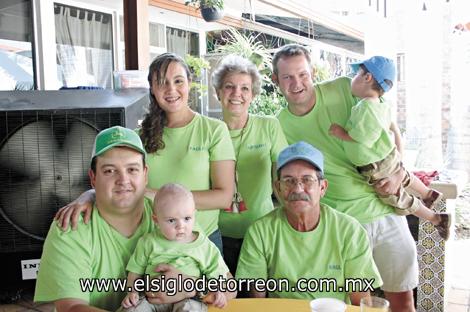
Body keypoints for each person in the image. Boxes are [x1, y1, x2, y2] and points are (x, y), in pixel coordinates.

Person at [273, 44, 418, 311]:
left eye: (302, 74)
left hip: (384, 209)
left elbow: (391, 127)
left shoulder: (343, 88)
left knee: (402, 299)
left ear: (312, 72)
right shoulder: (279, 124)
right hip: (340, 221)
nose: (297, 83)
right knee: (354, 304)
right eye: (287, 77)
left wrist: (399, 172)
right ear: (276, 81)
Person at [55, 53, 235, 253]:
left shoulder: (214, 130)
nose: (171, 89)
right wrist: (89, 195)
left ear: (189, 83)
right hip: (152, 241)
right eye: (162, 83)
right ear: (152, 88)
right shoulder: (137, 137)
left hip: (202, 240)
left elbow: (224, 197)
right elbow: (114, 179)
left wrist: (152, 194)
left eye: (178, 81)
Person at [34, 126, 197, 311]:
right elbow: (71, 307)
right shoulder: (71, 227)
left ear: (145, 174)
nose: (123, 180)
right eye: (110, 171)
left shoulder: (171, 216)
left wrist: (189, 288)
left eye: (132, 169)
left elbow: (225, 286)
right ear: (93, 177)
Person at [235, 141, 382, 305]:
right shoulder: (260, 232)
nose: (297, 189)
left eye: (307, 180)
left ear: (323, 187)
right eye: (288, 180)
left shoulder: (349, 230)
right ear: (278, 187)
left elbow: (360, 300)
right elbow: (258, 301)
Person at [328, 55, 450, 240]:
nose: (352, 79)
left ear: (367, 78)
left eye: (356, 74)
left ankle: (435, 218)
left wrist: (341, 133)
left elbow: (364, 138)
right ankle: (428, 193)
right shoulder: (381, 105)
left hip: (377, 164)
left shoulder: (366, 107)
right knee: (403, 175)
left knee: (396, 196)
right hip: (384, 156)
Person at [211, 54, 288, 275]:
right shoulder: (208, 131)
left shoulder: (269, 127)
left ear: (253, 94)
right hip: (216, 234)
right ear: (218, 92)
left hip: (260, 231)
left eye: (245, 88)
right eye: (229, 87)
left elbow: (283, 178)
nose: (237, 94)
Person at [121, 183, 235, 312]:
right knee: (132, 309)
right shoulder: (148, 242)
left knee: (191, 309)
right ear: (156, 220)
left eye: (187, 218)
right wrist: (132, 292)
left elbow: (217, 272)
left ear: (194, 214)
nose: (180, 226)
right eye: (171, 220)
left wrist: (218, 291)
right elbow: (135, 272)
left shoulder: (203, 245)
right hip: (150, 299)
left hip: (189, 300)